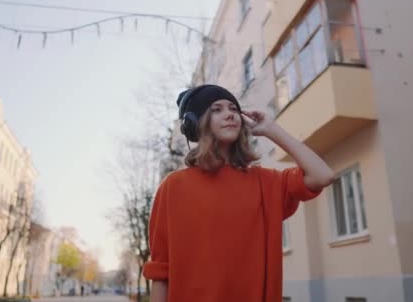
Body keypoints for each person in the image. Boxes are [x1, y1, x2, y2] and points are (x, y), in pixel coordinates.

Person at [143, 85, 334, 302]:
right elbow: (160, 270)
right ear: (195, 124)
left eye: (233, 108)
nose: (230, 114)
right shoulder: (173, 186)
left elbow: (322, 175)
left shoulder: (266, 182)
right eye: (216, 109)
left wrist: (271, 129)